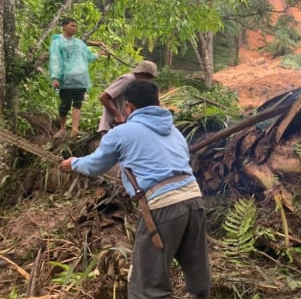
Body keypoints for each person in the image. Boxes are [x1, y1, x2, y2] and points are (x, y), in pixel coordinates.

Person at [59, 80, 210, 298]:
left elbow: (95, 165)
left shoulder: (122, 133)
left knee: (147, 288)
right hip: (194, 202)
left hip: (162, 207)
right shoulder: (175, 132)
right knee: (197, 277)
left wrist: (73, 163)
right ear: (158, 103)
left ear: (128, 106)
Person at [49, 18, 107, 138]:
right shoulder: (58, 42)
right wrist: (55, 77)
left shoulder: (79, 43)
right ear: (64, 26)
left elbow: (88, 56)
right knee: (65, 104)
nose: (74, 28)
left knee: (77, 103)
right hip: (66, 79)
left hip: (80, 79)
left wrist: (99, 54)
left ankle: (75, 129)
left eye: (76, 26)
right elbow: (55, 59)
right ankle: (63, 127)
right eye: (72, 26)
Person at [98, 60, 159, 133]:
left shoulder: (138, 85)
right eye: (149, 77)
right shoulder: (128, 79)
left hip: (123, 126)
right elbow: (103, 97)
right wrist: (117, 115)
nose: (149, 81)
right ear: (143, 74)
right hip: (112, 126)